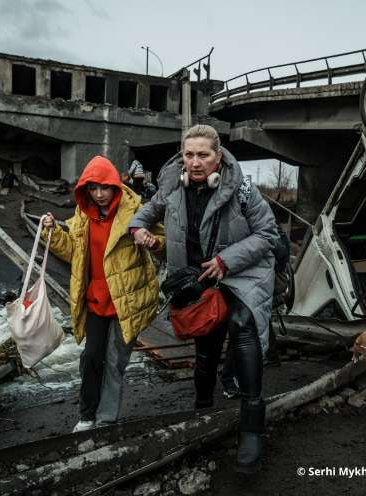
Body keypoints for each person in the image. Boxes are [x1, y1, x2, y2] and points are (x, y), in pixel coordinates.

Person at [129, 124, 279, 473]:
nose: (196, 163)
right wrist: (139, 231)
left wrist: (227, 260)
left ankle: (252, 428)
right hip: (198, 276)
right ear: (182, 157)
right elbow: (146, 212)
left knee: (244, 326)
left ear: (218, 156)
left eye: (203, 155)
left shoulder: (241, 187)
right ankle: (202, 412)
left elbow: (268, 234)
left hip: (242, 271)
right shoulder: (171, 184)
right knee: (207, 345)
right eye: (189, 154)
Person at [42, 155, 164, 432]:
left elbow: (165, 241)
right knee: (91, 357)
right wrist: (54, 233)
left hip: (127, 301)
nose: (98, 194)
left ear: (116, 187)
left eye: (104, 187)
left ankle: (106, 420)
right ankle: (86, 417)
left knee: (114, 362)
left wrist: (153, 241)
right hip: (96, 300)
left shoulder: (137, 211)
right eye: (93, 188)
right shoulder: (82, 216)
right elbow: (74, 252)